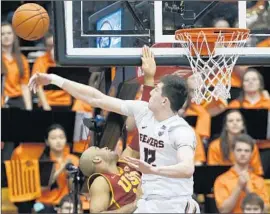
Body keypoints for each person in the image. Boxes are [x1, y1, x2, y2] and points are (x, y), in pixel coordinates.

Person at [28, 45, 200, 213]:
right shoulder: (143, 114)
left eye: (156, 89)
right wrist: (53, 79)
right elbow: (96, 98)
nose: (152, 91)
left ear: (164, 101)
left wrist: (153, 170)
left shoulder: (180, 131)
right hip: (150, 203)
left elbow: (187, 168)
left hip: (175, 203)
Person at [214, 134, 269, 213]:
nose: (243, 153)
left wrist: (247, 190)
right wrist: (239, 187)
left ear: (252, 153)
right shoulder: (222, 180)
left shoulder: (259, 180)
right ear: (233, 152)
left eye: (246, 150)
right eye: (239, 150)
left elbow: (265, 210)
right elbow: (223, 210)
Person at [79, 146, 141, 213]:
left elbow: (140, 140)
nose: (105, 147)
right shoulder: (101, 181)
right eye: (99, 149)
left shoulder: (124, 162)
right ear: (97, 159)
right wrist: (135, 205)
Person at [36, 124, 79, 213]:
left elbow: (74, 189)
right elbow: (42, 188)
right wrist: (62, 168)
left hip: (66, 203)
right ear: (47, 141)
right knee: (38, 208)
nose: (58, 141)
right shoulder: (44, 162)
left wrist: (70, 176)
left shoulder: (74, 159)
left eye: (61, 137)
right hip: (45, 203)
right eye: (53, 138)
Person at [207, 109, 263, 176]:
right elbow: (212, 173)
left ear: (243, 126)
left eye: (238, 120)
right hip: (223, 183)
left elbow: (257, 172)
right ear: (226, 126)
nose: (235, 123)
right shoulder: (215, 146)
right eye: (231, 121)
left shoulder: (251, 145)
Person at [31, 32, 72, 111]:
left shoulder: (67, 61)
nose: (53, 49)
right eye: (50, 46)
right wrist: (45, 105)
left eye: (55, 45)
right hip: (47, 102)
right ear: (46, 47)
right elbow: (38, 85)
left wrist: (57, 62)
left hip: (66, 102)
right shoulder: (41, 61)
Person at [1, 21, 32, 110]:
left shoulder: (22, 59)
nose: (6, 36)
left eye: (9, 33)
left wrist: (28, 108)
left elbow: (24, 86)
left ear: (14, 36)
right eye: (2, 34)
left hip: (18, 101)